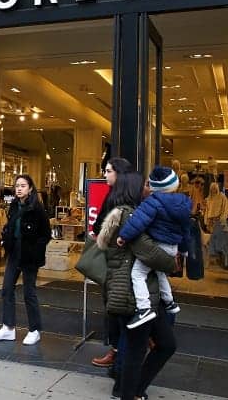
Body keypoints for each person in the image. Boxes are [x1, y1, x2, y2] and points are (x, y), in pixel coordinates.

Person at [96, 171, 178, 400]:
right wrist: (171, 261)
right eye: (145, 185)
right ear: (134, 189)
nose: (149, 189)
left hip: (140, 293)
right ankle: (130, 393)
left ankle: (133, 391)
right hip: (133, 295)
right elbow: (151, 253)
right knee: (137, 349)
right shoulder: (129, 216)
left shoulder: (131, 214)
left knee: (164, 344)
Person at [117, 166, 191, 329]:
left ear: (154, 186)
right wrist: (184, 249)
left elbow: (137, 221)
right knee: (159, 272)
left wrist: (123, 236)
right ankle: (170, 302)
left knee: (137, 274)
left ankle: (144, 308)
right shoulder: (184, 203)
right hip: (172, 248)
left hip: (157, 247)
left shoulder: (152, 202)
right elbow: (186, 230)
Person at [0, 174, 51, 345]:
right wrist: (6, 239)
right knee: (7, 288)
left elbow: (46, 234)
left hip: (29, 255)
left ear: (30, 189)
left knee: (29, 292)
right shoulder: (14, 206)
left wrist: (36, 251)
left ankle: (34, 330)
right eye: (17, 186)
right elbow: (10, 227)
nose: (19, 189)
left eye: (23, 186)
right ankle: (8, 328)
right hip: (14, 252)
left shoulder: (37, 208)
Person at [91, 156, 133, 368]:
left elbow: (100, 226)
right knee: (116, 306)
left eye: (108, 171)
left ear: (119, 173)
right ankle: (120, 350)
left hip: (118, 261)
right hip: (117, 259)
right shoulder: (118, 196)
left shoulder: (119, 200)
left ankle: (118, 352)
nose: (105, 175)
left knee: (116, 306)